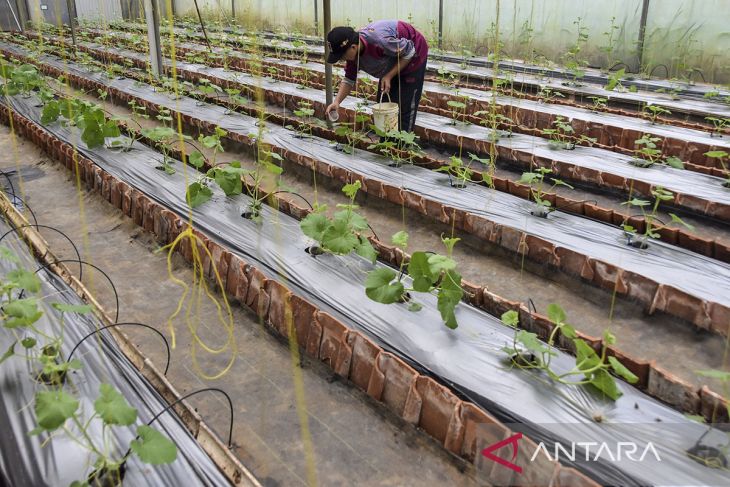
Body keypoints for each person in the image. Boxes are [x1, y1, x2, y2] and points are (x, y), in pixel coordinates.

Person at [324, 20, 429, 133]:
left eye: (342, 56)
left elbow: (409, 51)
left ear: (353, 47)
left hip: (413, 55)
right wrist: (337, 102)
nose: (342, 59)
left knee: (405, 106)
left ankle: (402, 145)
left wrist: (389, 76)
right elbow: (349, 79)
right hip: (393, 58)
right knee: (383, 104)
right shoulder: (353, 56)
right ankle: (386, 142)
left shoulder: (380, 41)